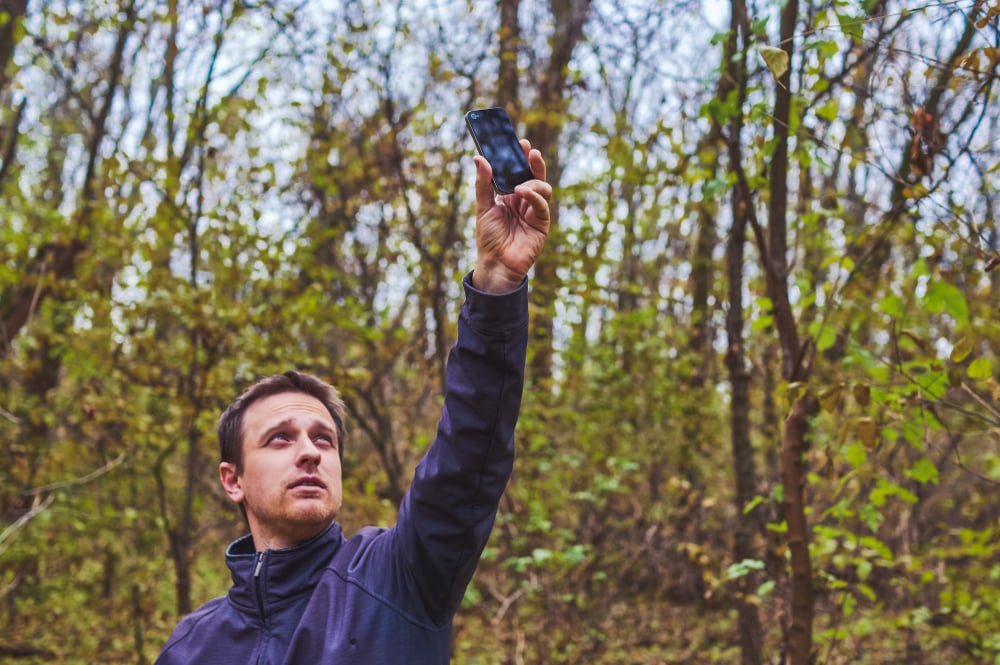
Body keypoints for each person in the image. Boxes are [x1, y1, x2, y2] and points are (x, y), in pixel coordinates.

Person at [154, 139, 551, 664]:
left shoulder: (400, 576)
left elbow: (469, 451)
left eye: (324, 438)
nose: (310, 452)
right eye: (279, 438)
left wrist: (498, 287)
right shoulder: (192, 646)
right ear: (233, 480)